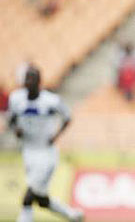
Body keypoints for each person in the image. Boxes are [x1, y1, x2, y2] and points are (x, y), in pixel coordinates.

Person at [8, 66, 83, 222]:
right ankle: (72, 215)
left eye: (32, 78)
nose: (28, 82)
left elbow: (67, 117)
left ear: (39, 81)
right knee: (40, 199)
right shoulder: (16, 98)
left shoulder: (51, 101)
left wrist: (56, 135)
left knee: (28, 197)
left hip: (46, 153)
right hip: (28, 151)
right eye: (26, 78)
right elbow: (11, 118)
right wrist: (16, 130)